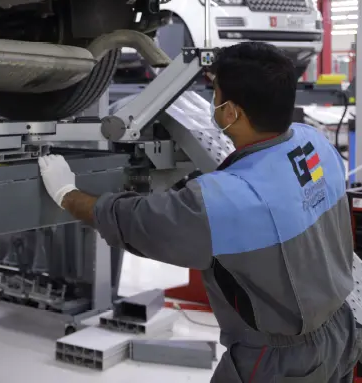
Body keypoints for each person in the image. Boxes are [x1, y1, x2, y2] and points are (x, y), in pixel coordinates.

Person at [39, 42, 360, 382]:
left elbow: (137, 222)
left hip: (280, 362)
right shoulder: (316, 145)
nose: (213, 104)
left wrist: (67, 194)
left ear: (232, 113)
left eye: (216, 94)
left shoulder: (228, 199)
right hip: (341, 331)